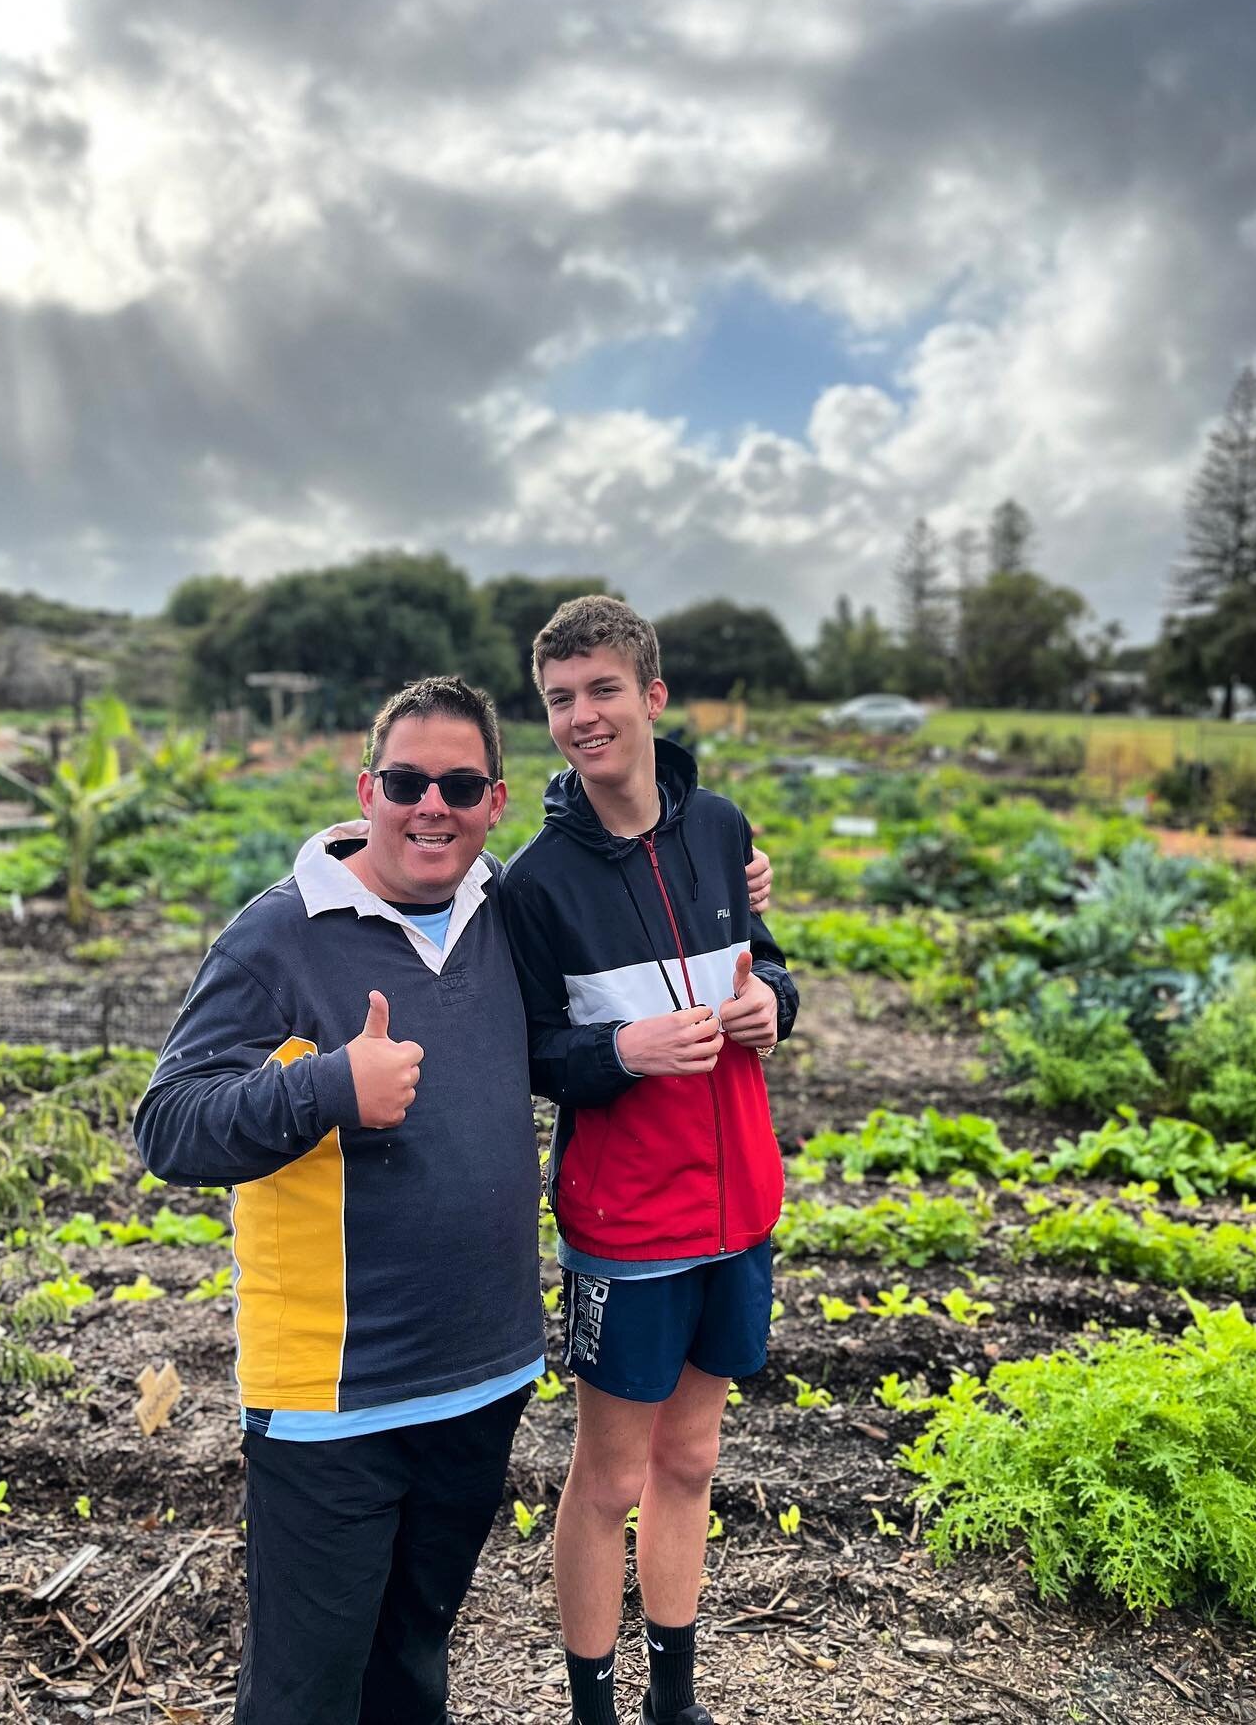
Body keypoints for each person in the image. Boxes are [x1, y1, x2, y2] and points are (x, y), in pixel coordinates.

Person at [135, 670, 777, 1724]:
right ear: (367, 788)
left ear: (496, 801)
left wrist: (727, 856)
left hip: (480, 1381)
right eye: (406, 781)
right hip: (334, 1396)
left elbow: (612, 839)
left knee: (413, 1668)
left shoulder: (501, 913)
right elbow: (170, 1124)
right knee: (305, 1694)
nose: (431, 804)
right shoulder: (280, 934)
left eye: (460, 784)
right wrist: (330, 1085)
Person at [498, 598, 799, 1725]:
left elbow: (768, 965)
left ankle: (676, 1696)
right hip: (627, 1226)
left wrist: (777, 1001)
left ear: (652, 697)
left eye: (602, 691)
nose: (583, 717)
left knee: (693, 1459)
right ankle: (592, 1706)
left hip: (741, 1207)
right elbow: (527, 1052)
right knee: (610, 1476)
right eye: (561, 700)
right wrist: (621, 1051)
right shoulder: (535, 885)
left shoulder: (719, 826)